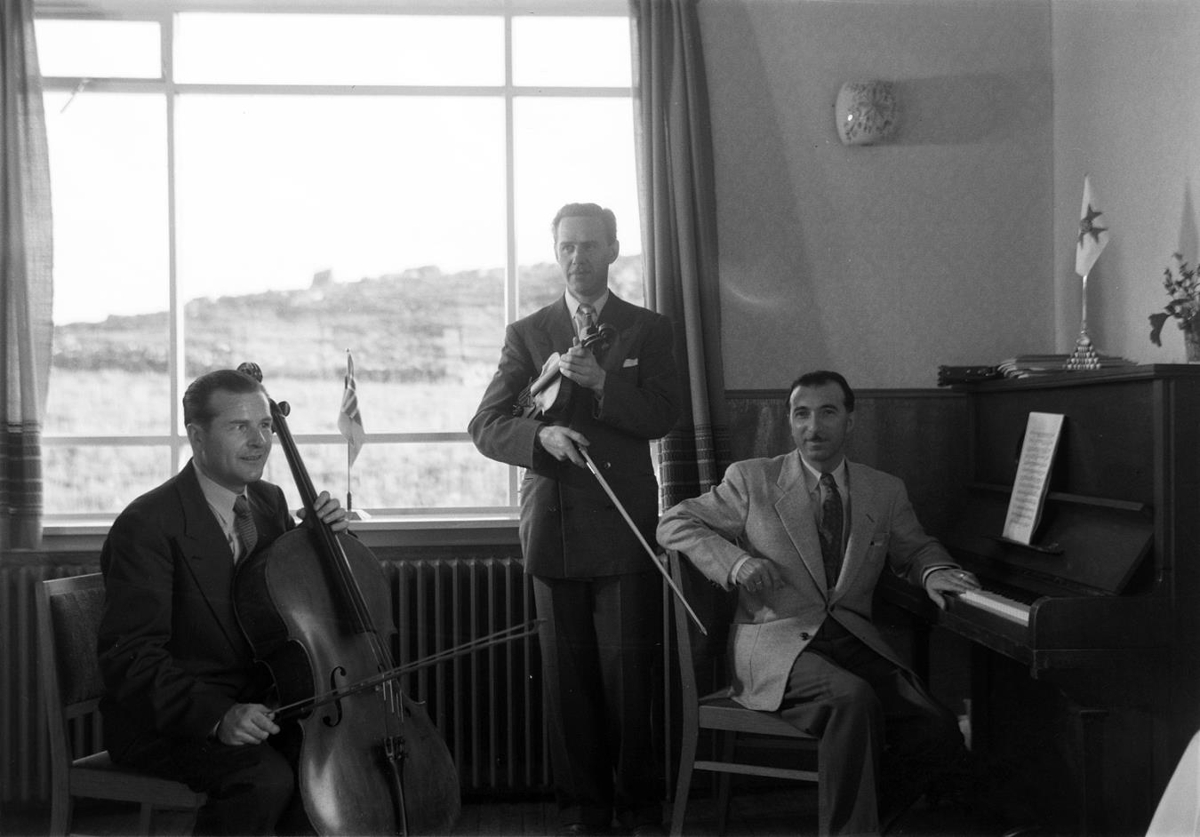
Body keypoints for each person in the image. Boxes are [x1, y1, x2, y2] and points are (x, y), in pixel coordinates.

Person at [656, 370, 975, 836]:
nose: (813, 427)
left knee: (937, 728)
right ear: (789, 420)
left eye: (827, 412)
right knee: (852, 700)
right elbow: (673, 522)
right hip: (775, 646)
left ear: (850, 420)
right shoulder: (752, 479)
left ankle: (860, 825)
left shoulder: (884, 490)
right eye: (801, 414)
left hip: (853, 642)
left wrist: (934, 571)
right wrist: (735, 562)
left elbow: (916, 549)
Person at [469, 203, 681, 836]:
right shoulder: (528, 332)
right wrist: (542, 438)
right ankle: (584, 816)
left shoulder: (649, 329)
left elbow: (663, 415)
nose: (577, 257)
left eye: (589, 245)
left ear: (612, 249)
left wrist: (603, 386)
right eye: (566, 246)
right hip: (554, 528)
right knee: (568, 687)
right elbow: (486, 425)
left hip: (622, 529)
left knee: (630, 684)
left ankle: (638, 812)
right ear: (555, 250)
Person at [98, 368, 350, 836]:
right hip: (170, 721)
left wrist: (326, 542)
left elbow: (293, 606)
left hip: (261, 706)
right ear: (197, 436)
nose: (260, 441)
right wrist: (217, 717)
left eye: (266, 425)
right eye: (239, 427)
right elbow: (131, 656)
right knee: (264, 780)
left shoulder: (270, 502)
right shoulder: (146, 524)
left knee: (330, 763)